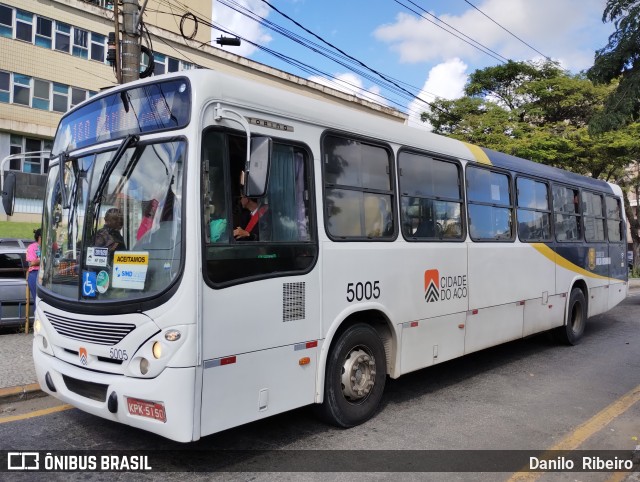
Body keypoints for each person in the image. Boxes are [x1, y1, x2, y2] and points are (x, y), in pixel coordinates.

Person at [26, 228, 42, 302]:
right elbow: (32, 263)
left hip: (45, 273)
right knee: (38, 300)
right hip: (35, 274)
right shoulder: (32, 247)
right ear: (39, 237)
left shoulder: (48, 247)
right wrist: (44, 260)